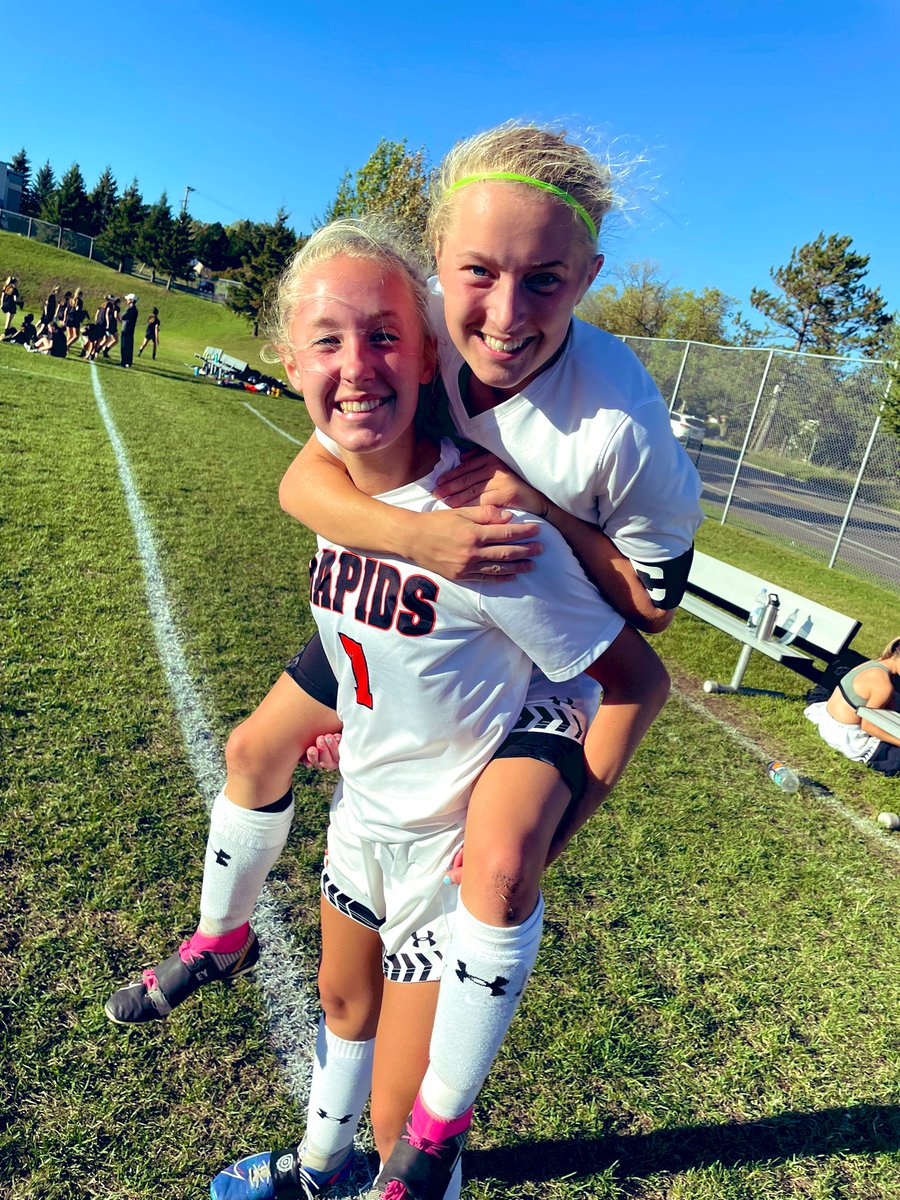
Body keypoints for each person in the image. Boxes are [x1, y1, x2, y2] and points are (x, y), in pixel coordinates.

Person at [105, 122, 699, 1199]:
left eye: (546, 283)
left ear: (588, 280)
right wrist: (414, 544)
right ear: (439, 271)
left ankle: (425, 1141)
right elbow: (309, 476)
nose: (505, 317)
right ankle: (268, 1049)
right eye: (478, 274)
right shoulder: (400, 332)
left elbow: (649, 624)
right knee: (260, 764)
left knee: (494, 888)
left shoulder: (616, 424)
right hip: (395, 627)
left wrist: (540, 517)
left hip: (527, 650)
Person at [202, 219, 641, 1200]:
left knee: (408, 1126)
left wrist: (540, 846)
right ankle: (318, 1171)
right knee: (337, 1003)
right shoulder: (334, 472)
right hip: (362, 816)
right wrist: (360, 712)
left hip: (442, 862)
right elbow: (377, 620)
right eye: (328, 342)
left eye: (385, 337)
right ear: (292, 360)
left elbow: (634, 680)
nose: (356, 367)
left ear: (430, 349)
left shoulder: (489, 530)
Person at [804, 638, 900, 775]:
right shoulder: (883, 685)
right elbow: (868, 727)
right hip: (846, 738)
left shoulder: (872, 664)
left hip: (828, 720)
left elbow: (886, 709)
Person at [120, 293, 139, 367]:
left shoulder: (129, 309)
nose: (127, 300)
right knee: (129, 346)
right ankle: (128, 362)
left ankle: (123, 362)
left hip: (125, 329)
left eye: (128, 299)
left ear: (131, 300)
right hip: (131, 330)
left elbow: (123, 317)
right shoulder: (135, 310)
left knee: (124, 346)